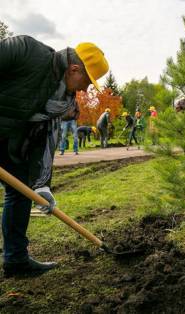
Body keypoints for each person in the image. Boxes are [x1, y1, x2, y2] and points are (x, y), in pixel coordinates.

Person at [0, 35, 109, 277]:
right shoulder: (26, 51)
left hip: (10, 143)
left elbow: (42, 139)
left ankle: (16, 260)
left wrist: (43, 185)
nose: (85, 89)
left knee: (21, 192)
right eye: (88, 81)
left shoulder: (62, 101)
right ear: (74, 68)